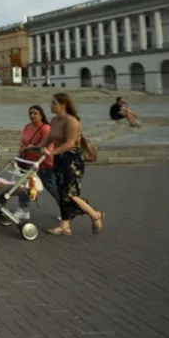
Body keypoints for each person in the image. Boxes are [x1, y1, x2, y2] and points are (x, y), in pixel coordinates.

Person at [36, 92, 105, 236]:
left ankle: (95, 214)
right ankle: (65, 226)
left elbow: (70, 143)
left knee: (69, 194)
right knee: (62, 193)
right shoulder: (55, 120)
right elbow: (49, 139)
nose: (51, 106)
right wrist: (35, 147)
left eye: (54, 103)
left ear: (63, 105)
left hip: (72, 160)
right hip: (59, 159)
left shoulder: (71, 121)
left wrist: (51, 152)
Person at [12, 105, 58, 222]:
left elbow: (47, 147)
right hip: (28, 162)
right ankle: (24, 210)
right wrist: (20, 154)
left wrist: (32, 148)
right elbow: (23, 144)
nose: (32, 115)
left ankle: (66, 210)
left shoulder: (45, 128)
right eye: (30, 113)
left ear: (41, 115)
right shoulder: (27, 127)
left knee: (52, 187)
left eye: (35, 113)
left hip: (42, 164)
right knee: (23, 185)